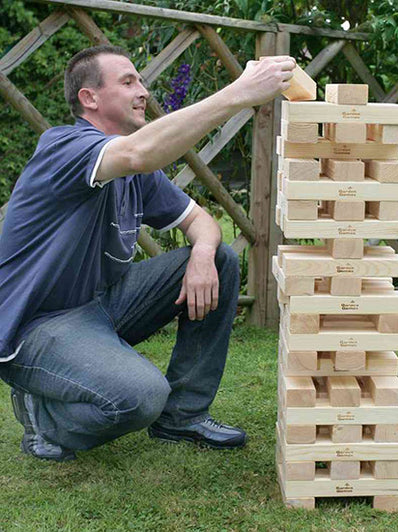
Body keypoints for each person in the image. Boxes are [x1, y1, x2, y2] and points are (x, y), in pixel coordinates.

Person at [0, 45, 296, 461]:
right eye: (128, 82)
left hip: (100, 306)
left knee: (221, 259)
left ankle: (183, 416)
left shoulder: (136, 172)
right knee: (140, 396)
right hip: (37, 326)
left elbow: (204, 223)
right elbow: (140, 152)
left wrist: (202, 254)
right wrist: (240, 92)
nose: (144, 90)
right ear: (90, 98)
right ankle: (42, 415)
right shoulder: (64, 146)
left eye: (141, 79)